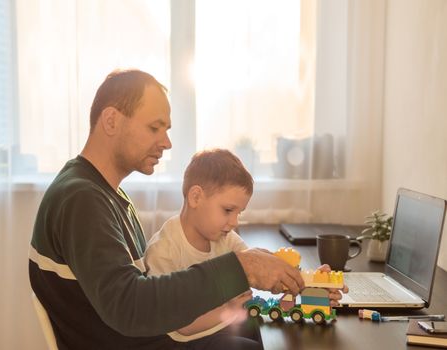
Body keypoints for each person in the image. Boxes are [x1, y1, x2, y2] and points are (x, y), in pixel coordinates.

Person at [28, 69, 345, 350]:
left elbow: (150, 292)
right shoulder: (81, 198)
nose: (166, 142)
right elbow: (129, 305)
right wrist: (241, 268)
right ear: (111, 121)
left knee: (269, 327)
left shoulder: (107, 194)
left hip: (149, 337)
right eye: (155, 127)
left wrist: (281, 278)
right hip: (138, 342)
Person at [144, 149, 257, 346]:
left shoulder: (224, 237)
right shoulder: (163, 251)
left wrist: (313, 281)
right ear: (196, 197)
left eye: (239, 213)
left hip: (221, 327)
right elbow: (181, 325)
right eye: (228, 210)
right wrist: (229, 309)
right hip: (183, 340)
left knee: (273, 332)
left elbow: (257, 263)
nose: (234, 222)